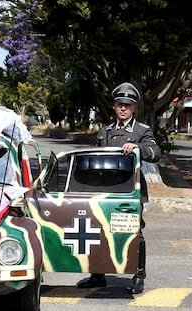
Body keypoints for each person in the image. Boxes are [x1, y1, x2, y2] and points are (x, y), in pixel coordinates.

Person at [76, 82, 162, 294]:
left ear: (134, 108)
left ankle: (138, 275)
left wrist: (138, 147)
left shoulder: (143, 131)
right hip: (104, 190)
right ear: (114, 107)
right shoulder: (104, 132)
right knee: (98, 230)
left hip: (130, 192)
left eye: (128, 105)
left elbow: (156, 152)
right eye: (119, 104)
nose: (123, 108)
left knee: (134, 232)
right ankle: (98, 274)